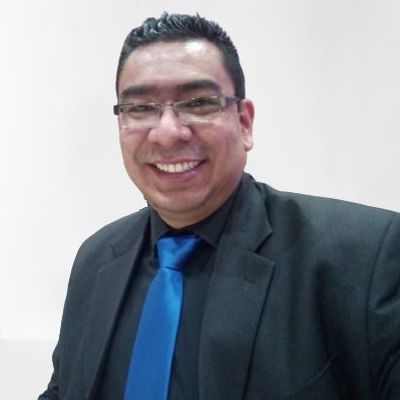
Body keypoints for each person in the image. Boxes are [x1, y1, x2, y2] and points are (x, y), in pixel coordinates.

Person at [39, 12, 400, 400]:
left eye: (198, 102)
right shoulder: (96, 260)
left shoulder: (365, 258)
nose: (167, 132)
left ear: (244, 123)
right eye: (140, 108)